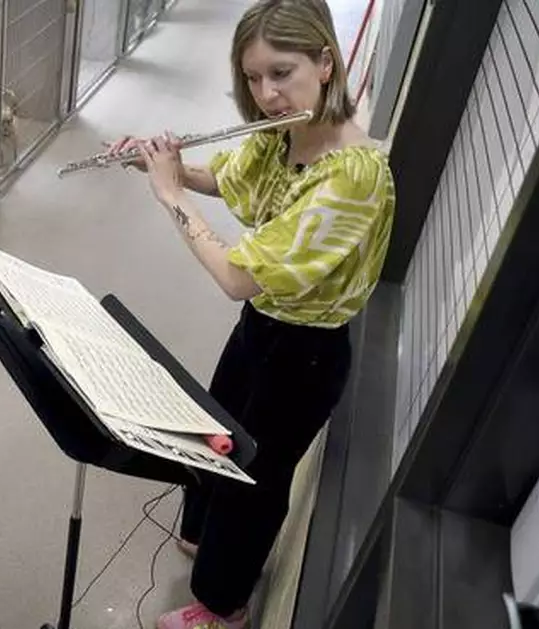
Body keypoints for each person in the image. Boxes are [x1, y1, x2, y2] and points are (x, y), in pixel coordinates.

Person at [107, 1, 396, 627]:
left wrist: (170, 194)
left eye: (281, 72)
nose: (266, 94)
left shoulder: (354, 178)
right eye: (254, 77)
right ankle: (206, 542)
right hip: (264, 328)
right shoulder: (285, 132)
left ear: (326, 62)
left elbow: (236, 276)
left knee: (256, 480)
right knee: (217, 436)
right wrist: (163, 164)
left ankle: (223, 605)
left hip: (307, 353)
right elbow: (226, 179)